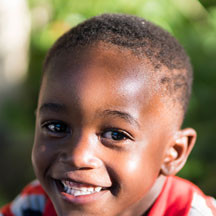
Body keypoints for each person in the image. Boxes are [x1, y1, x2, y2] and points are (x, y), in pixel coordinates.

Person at [1, 13, 216, 216]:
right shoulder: (35, 204)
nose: (78, 156)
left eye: (116, 135)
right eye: (57, 127)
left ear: (173, 152)